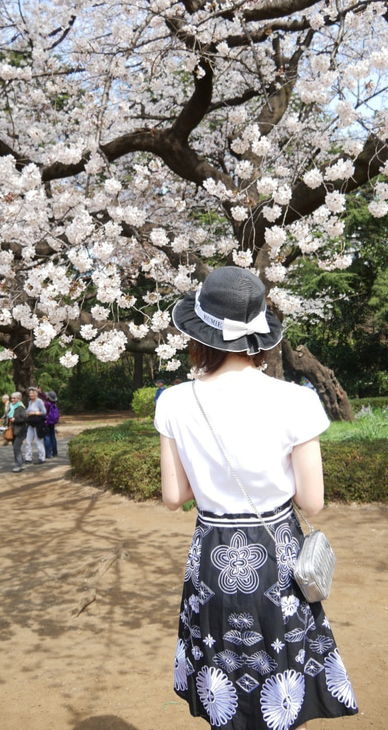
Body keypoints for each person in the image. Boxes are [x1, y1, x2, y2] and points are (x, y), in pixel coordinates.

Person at [154, 267, 357, 730]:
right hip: (277, 554)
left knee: (222, 685)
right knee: (281, 683)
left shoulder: (173, 402)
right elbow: (312, 502)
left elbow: (173, 497)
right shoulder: (296, 401)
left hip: (213, 555)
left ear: (199, 334)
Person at [24, 386, 47, 465]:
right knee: (28, 441)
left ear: (36, 394)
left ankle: (42, 458)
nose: (31, 394)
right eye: (30, 393)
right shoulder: (30, 402)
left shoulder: (39, 401)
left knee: (38, 441)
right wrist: (26, 413)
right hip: (31, 423)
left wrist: (34, 413)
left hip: (37, 423)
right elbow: (28, 410)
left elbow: (44, 412)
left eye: (32, 393)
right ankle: (28, 458)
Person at [8, 392, 28, 472]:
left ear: (18, 399)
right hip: (13, 431)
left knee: (16, 447)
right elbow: (9, 417)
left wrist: (15, 420)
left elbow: (25, 419)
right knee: (16, 447)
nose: (12, 400)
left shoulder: (20, 407)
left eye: (14, 398)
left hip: (20, 431)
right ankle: (22, 463)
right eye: (11, 398)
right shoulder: (12, 407)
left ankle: (18, 465)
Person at [42, 390, 60, 459]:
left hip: (47, 422)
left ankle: (48, 453)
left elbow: (44, 411)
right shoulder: (53, 403)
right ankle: (55, 452)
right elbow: (46, 397)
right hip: (52, 422)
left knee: (47, 437)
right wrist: (41, 393)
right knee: (52, 436)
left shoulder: (46, 404)